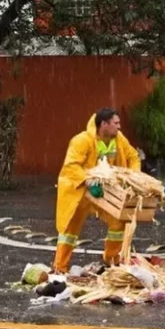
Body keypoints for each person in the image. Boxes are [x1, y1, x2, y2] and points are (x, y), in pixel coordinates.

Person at [52, 108, 141, 273]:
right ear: (104, 124)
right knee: (70, 230)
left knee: (118, 220)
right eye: (116, 123)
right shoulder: (82, 140)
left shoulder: (118, 139)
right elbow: (71, 165)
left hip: (104, 190)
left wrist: (133, 176)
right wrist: (89, 181)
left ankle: (111, 260)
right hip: (79, 190)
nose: (119, 127)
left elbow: (133, 156)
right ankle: (60, 267)